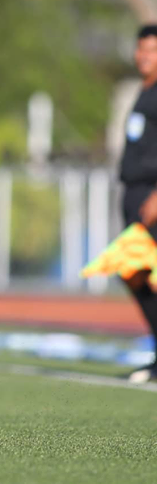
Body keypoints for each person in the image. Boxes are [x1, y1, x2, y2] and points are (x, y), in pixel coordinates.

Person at [118, 25, 157, 383]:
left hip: (151, 194)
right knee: (133, 273)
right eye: (141, 48)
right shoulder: (142, 90)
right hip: (133, 194)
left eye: (152, 50)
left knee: (149, 274)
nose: (144, 55)